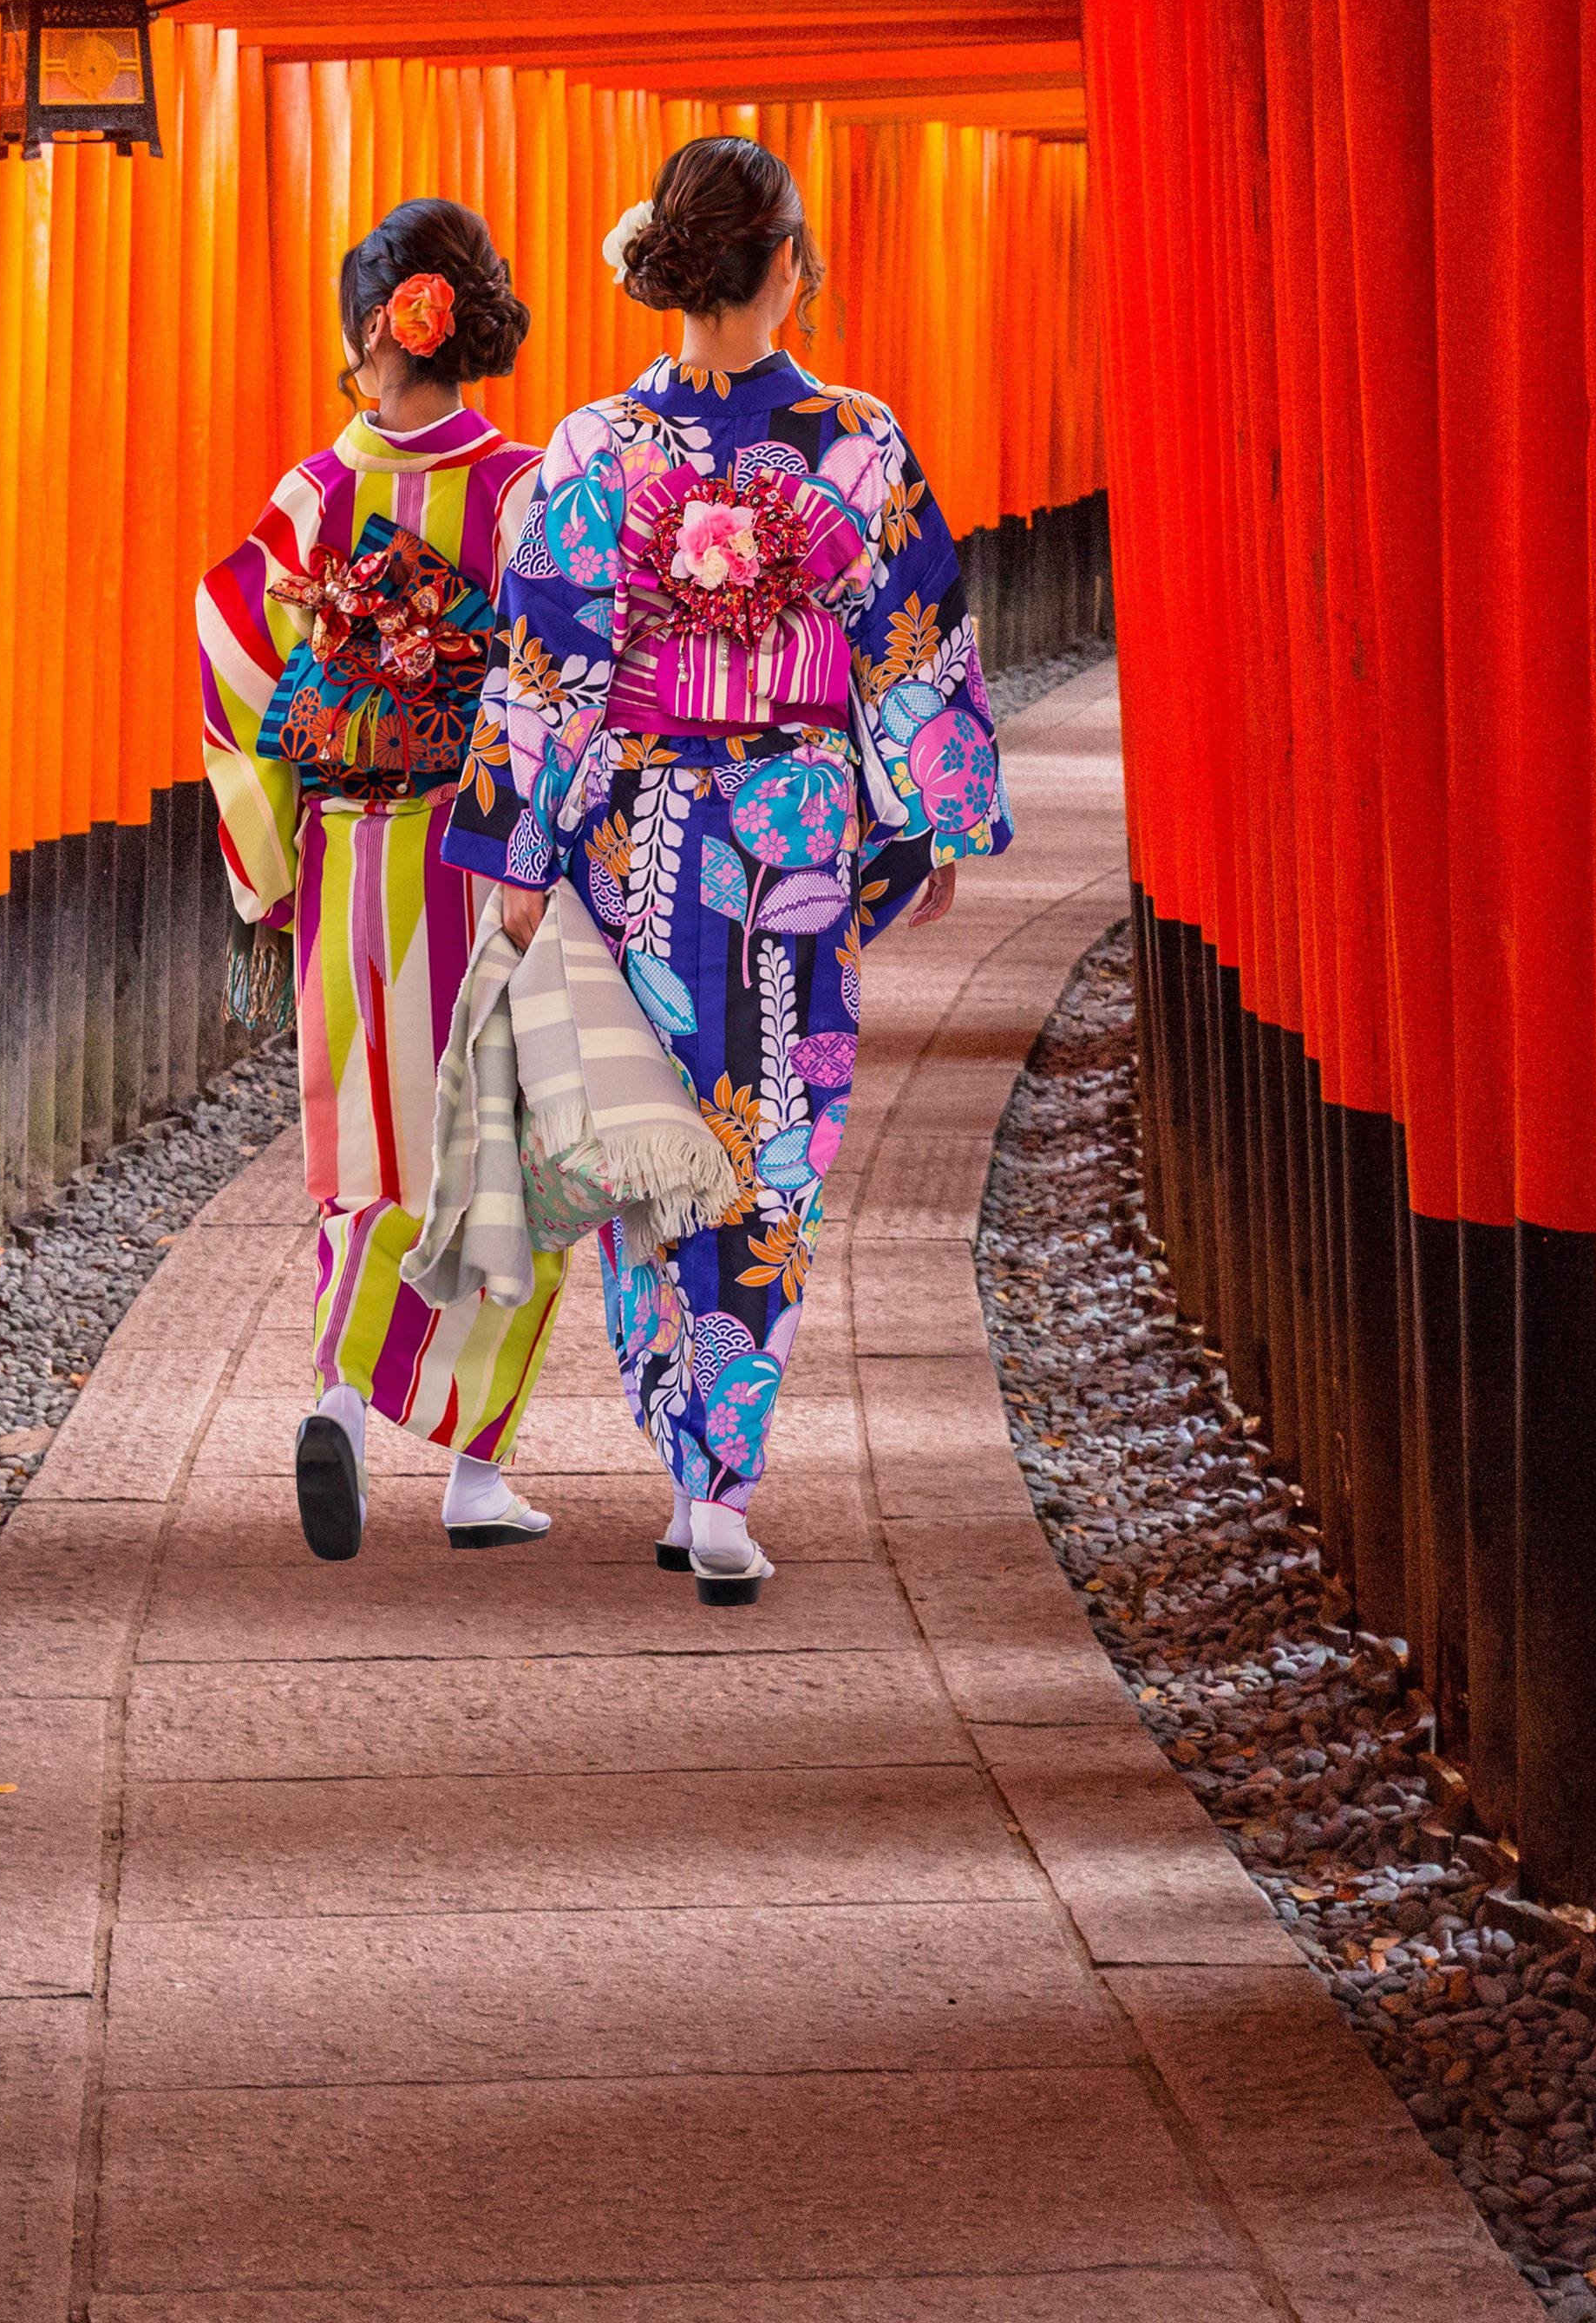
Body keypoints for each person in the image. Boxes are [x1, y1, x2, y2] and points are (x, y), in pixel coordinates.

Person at [442, 134, 1011, 1603]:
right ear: (788, 272)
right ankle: (718, 1480)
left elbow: (542, 665)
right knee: (771, 1147)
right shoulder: (856, 440)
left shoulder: (587, 450)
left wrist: (522, 845)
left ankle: (682, 1446)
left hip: (639, 833)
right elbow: (912, 638)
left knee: (661, 1147)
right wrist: (934, 812)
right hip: (796, 831)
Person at [197, 199, 573, 1562]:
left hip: (351, 855)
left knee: (368, 1131)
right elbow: (557, 678)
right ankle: (475, 1471)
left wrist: (266, 853)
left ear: (377, 329)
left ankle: (343, 1400)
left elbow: (237, 657)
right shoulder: (527, 486)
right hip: (489, 857)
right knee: (508, 1144)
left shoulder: (308, 497)